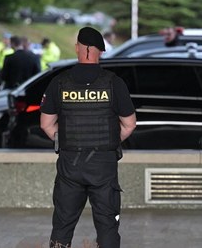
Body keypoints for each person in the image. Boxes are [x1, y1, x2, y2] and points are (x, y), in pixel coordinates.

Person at [40, 27, 136, 248]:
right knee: (107, 226)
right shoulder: (114, 83)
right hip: (103, 164)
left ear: (78, 48)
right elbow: (129, 124)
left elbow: (46, 124)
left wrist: (67, 139)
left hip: (70, 163)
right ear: (100, 52)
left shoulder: (59, 82)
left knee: (62, 225)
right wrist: (109, 141)